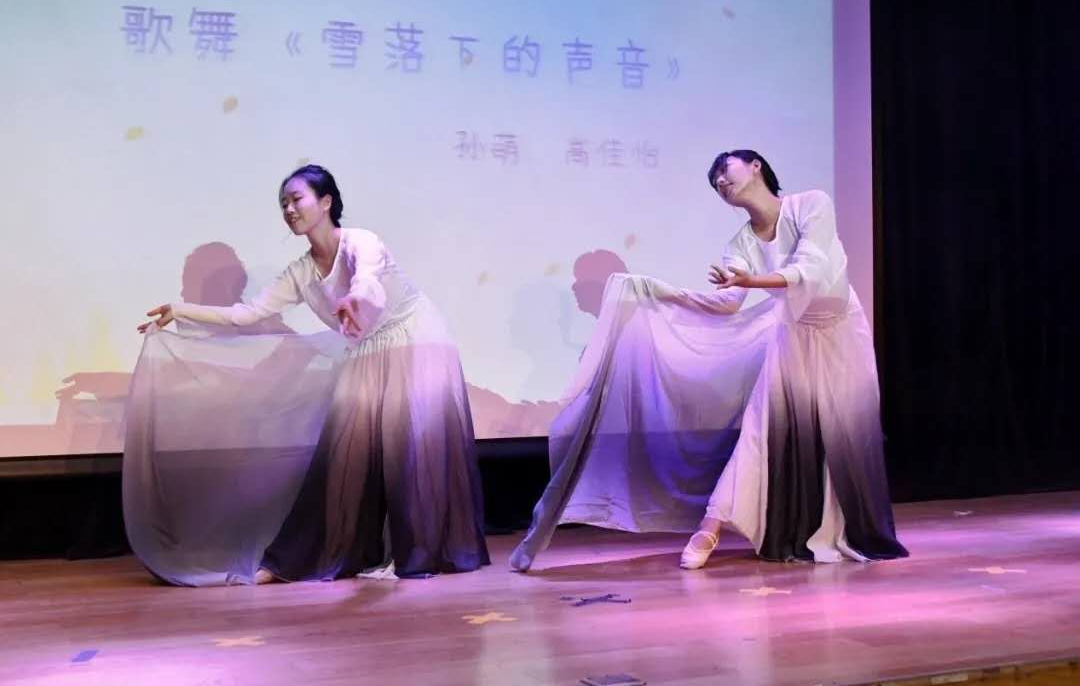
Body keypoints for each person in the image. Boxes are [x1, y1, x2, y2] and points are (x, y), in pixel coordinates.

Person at [509, 149, 907, 572]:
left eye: (724, 169)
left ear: (756, 166)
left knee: (845, 431)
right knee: (760, 431)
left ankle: (842, 527)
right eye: (714, 179)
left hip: (842, 331)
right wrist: (659, 291)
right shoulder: (740, 244)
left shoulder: (811, 204)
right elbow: (726, 303)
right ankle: (710, 526)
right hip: (791, 333)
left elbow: (811, 267)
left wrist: (753, 280)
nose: (720, 181)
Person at [130, 164, 489, 584]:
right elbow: (248, 314)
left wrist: (354, 300)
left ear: (326, 202)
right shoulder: (300, 273)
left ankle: (416, 555)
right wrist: (180, 310)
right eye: (283, 203)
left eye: (296, 198)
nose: (289, 209)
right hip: (369, 346)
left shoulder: (361, 241)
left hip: (415, 338)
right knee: (345, 450)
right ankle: (306, 559)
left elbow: (368, 279)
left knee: (408, 445)